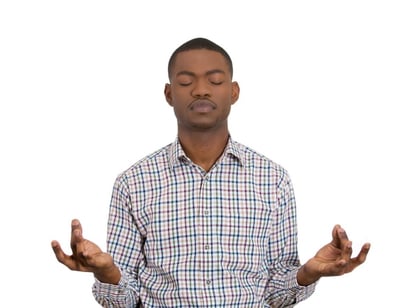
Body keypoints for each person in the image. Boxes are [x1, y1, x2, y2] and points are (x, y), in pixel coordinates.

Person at [51, 37, 371, 307]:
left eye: (215, 81)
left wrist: (307, 273)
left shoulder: (273, 180)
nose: (201, 90)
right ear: (168, 94)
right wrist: (108, 273)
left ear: (233, 92)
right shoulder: (133, 183)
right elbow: (124, 298)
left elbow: (277, 295)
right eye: (186, 82)